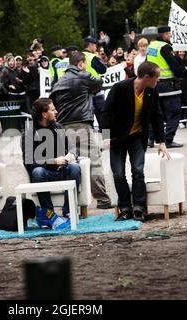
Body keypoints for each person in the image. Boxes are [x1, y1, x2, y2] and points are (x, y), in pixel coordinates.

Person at [102, 61, 170, 221]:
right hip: (117, 138)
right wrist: (106, 137)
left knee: (138, 171)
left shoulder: (151, 90)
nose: (158, 81)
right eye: (157, 77)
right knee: (118, 173)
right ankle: (125, 208)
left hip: (138, 136)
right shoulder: (120, 88)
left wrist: (161, 141)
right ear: (147, 77)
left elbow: (156, 115)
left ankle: (139, 208)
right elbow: (106, 112)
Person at [50, 51, 113, 209]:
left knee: (68, 165)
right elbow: (99, 83)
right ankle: (103, 200)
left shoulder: (58, 82)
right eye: (85, 64)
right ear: (81, 63)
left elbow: (52, 104)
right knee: (94, 163)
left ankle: (71, 203)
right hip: (82, 126)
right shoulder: (83, 75)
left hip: (63, 127)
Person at [21, 98, 81, 218]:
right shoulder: (29, 134)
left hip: (62, 170)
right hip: (44, 174)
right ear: (44, 114)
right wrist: (52, 161)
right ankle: (49, 214)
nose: (56, 112)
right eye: (53, 110)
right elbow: (29, 162)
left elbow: (73, 148)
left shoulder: (57, 127)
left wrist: (70, 156)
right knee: (37, 172)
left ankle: (69, 211)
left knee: (75, 168)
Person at [146, 26, 187, 148]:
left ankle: (151, 139)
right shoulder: (165, 47)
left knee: (155, 113)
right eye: (169, 34)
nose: (170, 36)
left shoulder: (152, 46)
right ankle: (168, 140)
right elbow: (174, 67)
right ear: (164, 34)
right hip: (168, 86)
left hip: (154, 84)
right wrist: (186, 73)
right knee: (173, 113)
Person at [83, 36, 108, 131]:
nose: (96, 48)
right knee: (103, 120)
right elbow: (103, 70)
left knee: (87, 122)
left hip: (83, 95)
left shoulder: (78, 56)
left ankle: (91, 144)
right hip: (95, 93)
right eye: (95, 46)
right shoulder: (92, 57)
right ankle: (106, 141)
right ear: (91, 45)